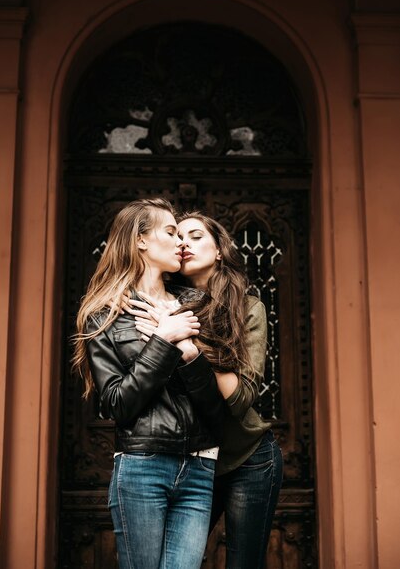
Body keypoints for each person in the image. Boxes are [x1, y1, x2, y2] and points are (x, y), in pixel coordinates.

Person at [72, 198, 225, 569]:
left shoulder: (198, 306)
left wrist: (187, 348)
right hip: (142, 465)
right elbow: (117, 403)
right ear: (140, 240)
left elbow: (216, 408)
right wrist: (163, 340)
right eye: (170, 232)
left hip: (200, 466)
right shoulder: (104, 315)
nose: (180, 243)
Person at [131, 212, 283, 569]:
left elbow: (239, 397)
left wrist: (185, 339)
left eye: (196, 236)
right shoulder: (161, 302)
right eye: (177, 236)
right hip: (191, 460)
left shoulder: (248, 307)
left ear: (219, 251)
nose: (183, 243)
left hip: (248, 458)